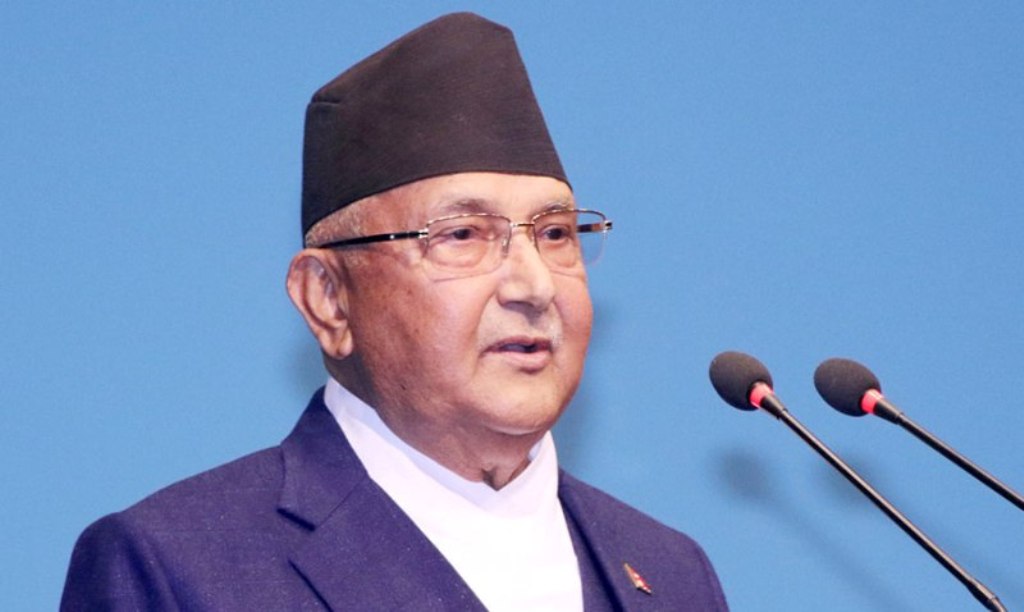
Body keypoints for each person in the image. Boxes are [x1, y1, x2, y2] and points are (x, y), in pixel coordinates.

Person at [61, 12, 728, 611]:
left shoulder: (673, 574)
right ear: (328, 299)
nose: (533, 285)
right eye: (462, 236)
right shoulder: (177, 569)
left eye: (555, 234)